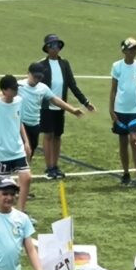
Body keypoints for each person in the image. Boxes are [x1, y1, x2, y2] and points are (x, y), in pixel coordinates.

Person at [37, 34, 94, 181]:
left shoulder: (64, 64)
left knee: (57, 136)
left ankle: (55, 165)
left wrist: (85, 102)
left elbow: (72, 85)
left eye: (56, 45)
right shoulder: (41, 65)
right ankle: (49, 166)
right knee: (48, 135)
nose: (54, 48)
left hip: (61, 106)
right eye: (51, 45)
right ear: (47, 48)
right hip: (46, 106)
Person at [109, 38, 136, 187]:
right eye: (131, 49)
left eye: (135, 49)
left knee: (134, 140)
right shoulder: (117, 66)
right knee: (123, 141)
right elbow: (113, 89)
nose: (134, 51)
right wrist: (111, 109)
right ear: (124, 50)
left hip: (134, 110)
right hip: (120, 110)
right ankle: (126, 173)